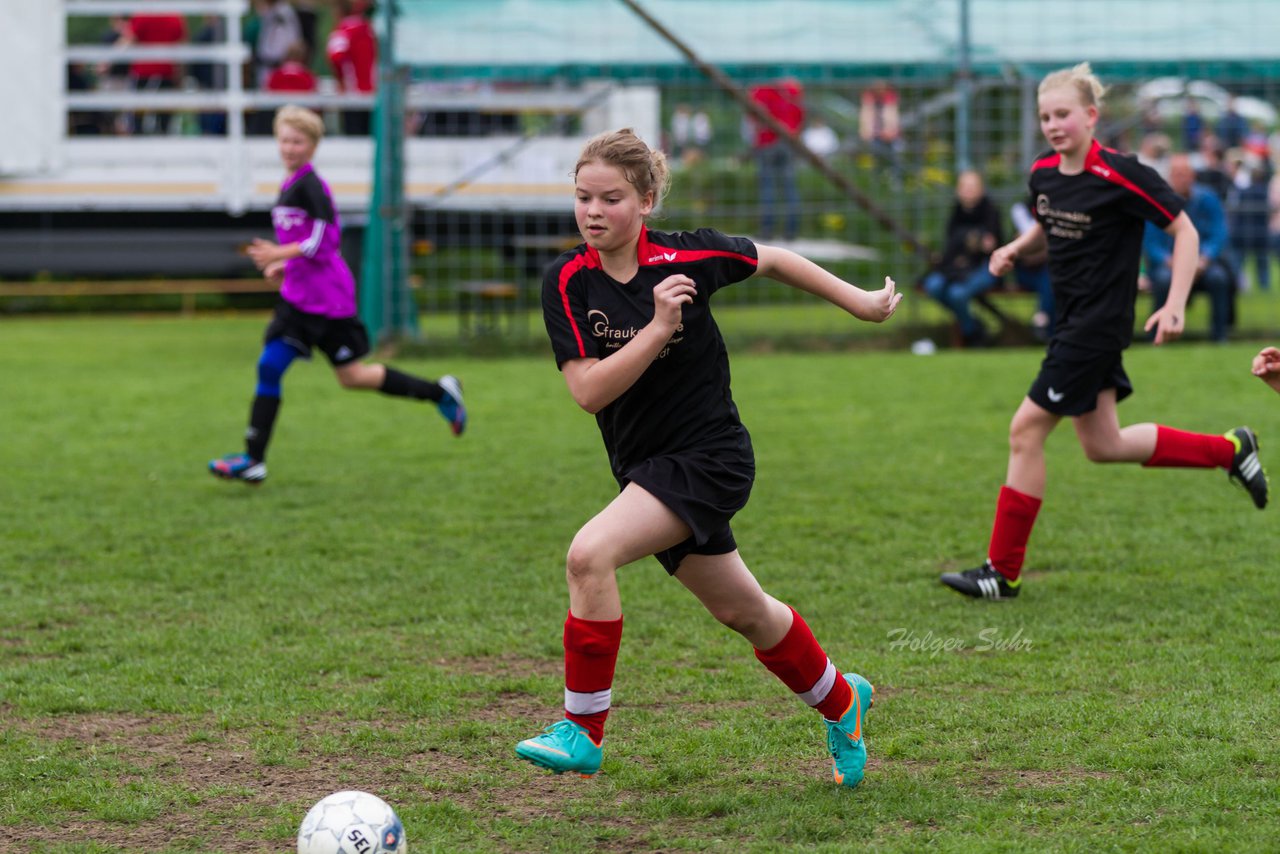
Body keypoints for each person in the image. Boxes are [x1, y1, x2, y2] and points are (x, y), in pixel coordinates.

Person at [517, 128, 901, 787]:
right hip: (644, 468)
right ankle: (844, 700)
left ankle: (582, 730)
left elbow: (775, 259)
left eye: (610, 198)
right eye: (583, 197)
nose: (593, 212)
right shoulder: (568, 282)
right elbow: (588, 391)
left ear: (646, 198)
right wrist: (659, 330)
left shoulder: (686, 255)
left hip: (710, 457)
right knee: (746, 612)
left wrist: (861, 303)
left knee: (589, 555)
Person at [940, 63, 1269, 602]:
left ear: (1091, 117)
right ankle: (1231, 449)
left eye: (1064, 113)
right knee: (1103, 444)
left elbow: (1183, 231)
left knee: (1025, 430)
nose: (1053, 124)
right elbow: (1049, 224)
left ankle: (1001, 572)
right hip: (1072, 324)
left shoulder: (1124, 174)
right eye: (1045, 115)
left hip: (1096, 328)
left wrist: (1176, 303)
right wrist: (1014, 250)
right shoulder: (1043, 173)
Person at [208, 106, 466, 484]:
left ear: (313, 145)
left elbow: (324, 240)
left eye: (298, 141)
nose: (290, 147)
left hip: (329, 302)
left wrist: (279, 254)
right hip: (299, 300)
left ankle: (438, 392)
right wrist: (284, 266)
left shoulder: (312, 186)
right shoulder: (289, 183)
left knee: (353, 376)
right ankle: (253, 459)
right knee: (270, 365)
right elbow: (303, 243)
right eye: (284, 139)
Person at [1144, 153, 1234, 342]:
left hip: (1203, 265)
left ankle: (1220, 335)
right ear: (1169, 176)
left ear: (1193, 176)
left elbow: (1219, 233)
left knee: (1219, 278)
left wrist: (1204, 259)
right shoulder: (1158, 201)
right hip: (1168, 265)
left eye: (1184, 173)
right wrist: (1168, 260)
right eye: (1176, 174)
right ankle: (1157, 333)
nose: (1180, 178)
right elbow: (1150, 240)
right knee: (1162, 279)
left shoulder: (1207, 199)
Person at [921, 170, 1003, 347]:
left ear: (981, 190)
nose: (968, 191)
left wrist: (965, 241)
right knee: (933, 286)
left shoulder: (990, 211)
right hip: (955, 267)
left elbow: (989, 245)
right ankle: (975, 327)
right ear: (958, 190)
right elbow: (953, 245)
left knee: (957, 294)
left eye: (972, 187)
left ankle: (972, 333)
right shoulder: (956, 211)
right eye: (964, 187)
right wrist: (972, 240)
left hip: (986, 268)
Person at [748, 78, 804, 241]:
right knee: (789, 187)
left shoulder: (760, 89)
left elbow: (754, 115)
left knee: (768, 187)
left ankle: (767, 230)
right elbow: (800, 113)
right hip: (788, 141)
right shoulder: (792, 88)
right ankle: (791, 231)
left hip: (767, 142)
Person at [327, 0, 377, 136]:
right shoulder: (370, 29)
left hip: (352, 94)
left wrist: (340, 80)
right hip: (374, 94)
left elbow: (336, 56)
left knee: (354, 138)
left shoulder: (342, 31)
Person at [859, 79, 904, 185]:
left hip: (891, 134)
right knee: (876, 158)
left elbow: (893, 116)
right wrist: (865, 130)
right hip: (875, 134)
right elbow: (865, 114)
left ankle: (896, 181)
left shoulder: (891, 96)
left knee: (895, 158)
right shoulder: (868, 97)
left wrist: (890, 130)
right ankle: (877, 182)